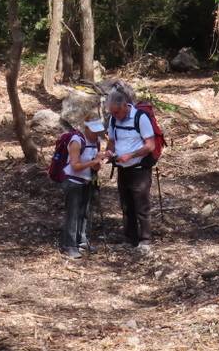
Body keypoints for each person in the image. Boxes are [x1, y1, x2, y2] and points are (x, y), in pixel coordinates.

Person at [104, 89, 156, 253]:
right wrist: (109, 153)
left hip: (140, 169)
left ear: (125, 105)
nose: (115, 115)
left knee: (142, 206)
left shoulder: (140, 118)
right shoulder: (113, 119)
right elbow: (112, 141)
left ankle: (145, 240)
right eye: (112, 112)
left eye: (117, 111)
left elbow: (150, 145)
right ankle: (130, 239)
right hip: (122, 169)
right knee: (126, 206)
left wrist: (131, 155)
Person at [59, 115, 107, 259]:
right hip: (73, 182)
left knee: (85, 212)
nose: (96, 134)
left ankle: (82, 240)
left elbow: (95, 164)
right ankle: (69, 245)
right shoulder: (76, 141)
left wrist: (99, 163)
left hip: (87, 181)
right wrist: (93, 163)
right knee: (73, 214)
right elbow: (75, 166)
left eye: (98, 131)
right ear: (86, 128)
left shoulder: (97, 141)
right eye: (93, 131)